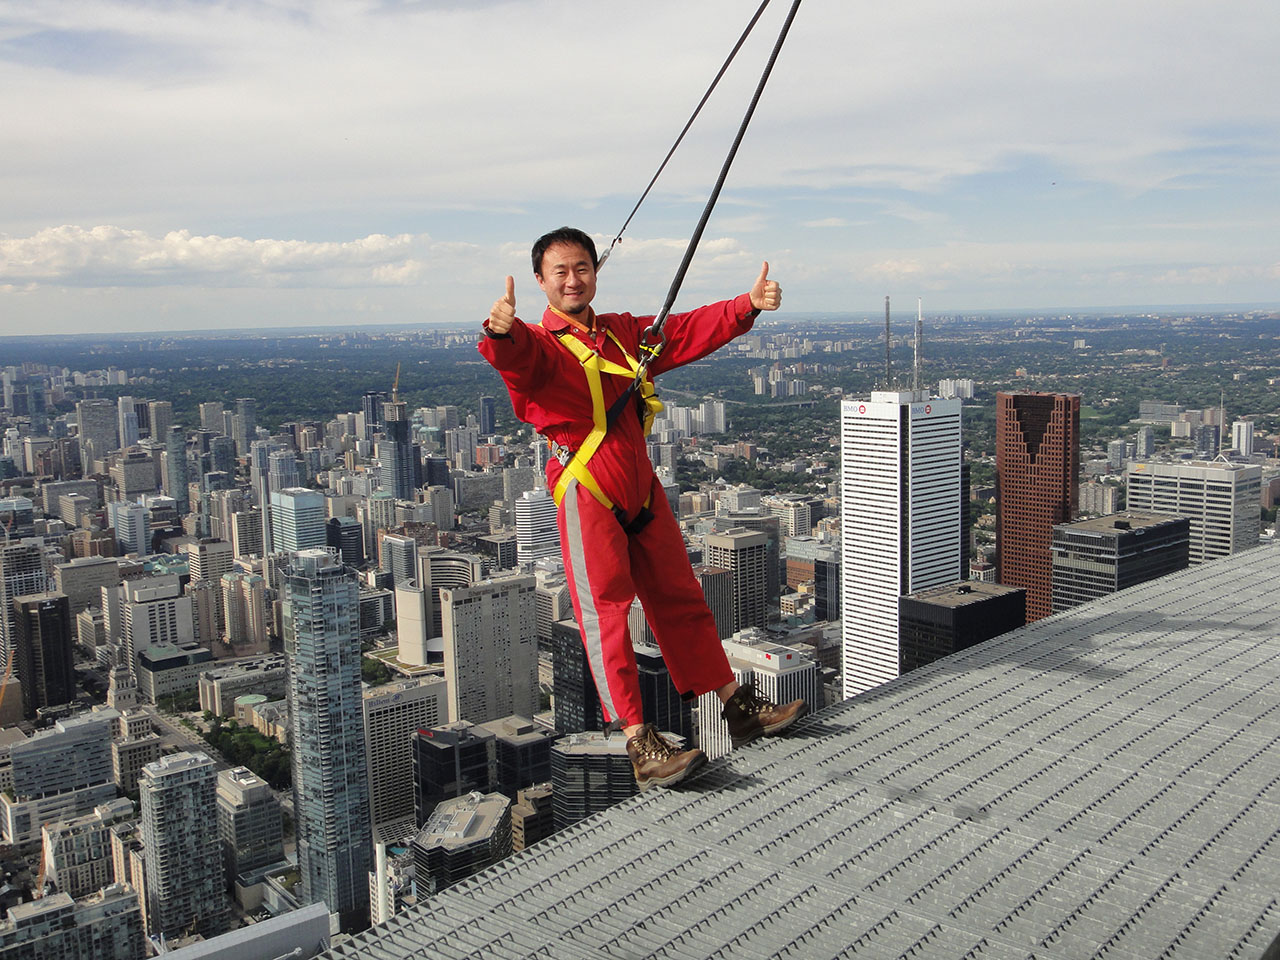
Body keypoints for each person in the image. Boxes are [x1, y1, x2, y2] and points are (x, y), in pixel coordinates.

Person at [479, 226, 806, 790]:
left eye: (581, 267)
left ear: (595, 272)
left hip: (639, 482)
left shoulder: (623, 333)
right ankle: (640, 742)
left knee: (681, 595)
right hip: (587, 485)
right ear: (540, 281)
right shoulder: (541, 343)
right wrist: (499, 332)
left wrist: (745, 306)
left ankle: (737, 708)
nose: (573, 279)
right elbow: (517, 360)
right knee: (606, 611)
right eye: (560, 272)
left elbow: (680, 333)